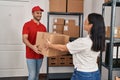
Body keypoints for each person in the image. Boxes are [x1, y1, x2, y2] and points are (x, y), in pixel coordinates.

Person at [46, 13, 105, 80]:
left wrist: (50, 45)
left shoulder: (84, 41)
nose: (84, 21)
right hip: (95, 73)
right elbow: (78, 46)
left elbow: (63, 48)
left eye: (86, 20)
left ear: (91, 25)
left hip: (83, 74)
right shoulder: (99, 40)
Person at [22, 6, 46, 80]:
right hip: (30, 55)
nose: (39, 15)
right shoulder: (27, 25)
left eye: (40, 13)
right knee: (32, 75)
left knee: (36, 75)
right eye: (37, 13)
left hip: (40, 55)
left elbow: (44, 40)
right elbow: (24, 39)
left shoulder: (43, 27)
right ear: (33, 13)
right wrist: (33, 47)